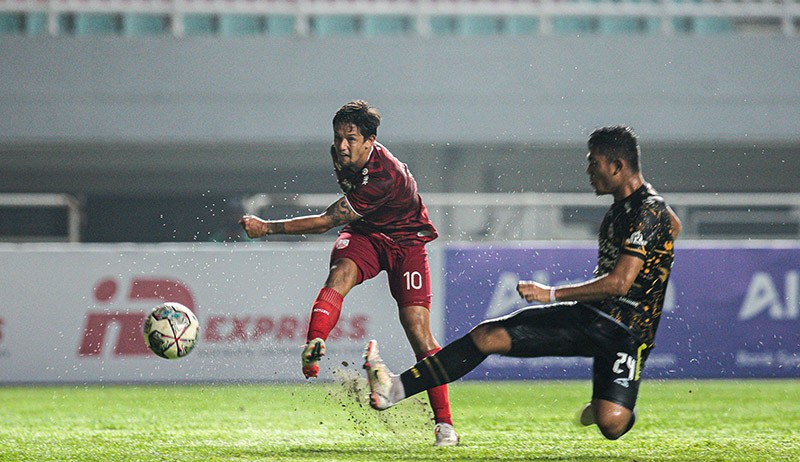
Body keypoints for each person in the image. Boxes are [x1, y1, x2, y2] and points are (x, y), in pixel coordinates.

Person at [363, 125, 681, 441]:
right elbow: (674, 225)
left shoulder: (647, 211)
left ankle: (608, 409)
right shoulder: (633, 210)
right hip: (595, 319)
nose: (588, 171)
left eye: (593, 163)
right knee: (488, 336)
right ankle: (393, 389)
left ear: (617, 166)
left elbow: (619, 284)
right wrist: (659, 257)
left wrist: (551, 293)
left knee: (611, 424)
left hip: (627, 334)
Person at [239, 100, 459, 446]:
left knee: (418, 331)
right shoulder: (339, 153)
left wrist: (267, 228)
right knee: (339, 274)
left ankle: (445, 425)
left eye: (351, 139)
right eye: (339, 137)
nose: (342, 145)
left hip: (406, 241)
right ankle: (314, 343)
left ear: (370, 141)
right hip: (367, 233)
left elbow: (327, 221)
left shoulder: (385, 175)